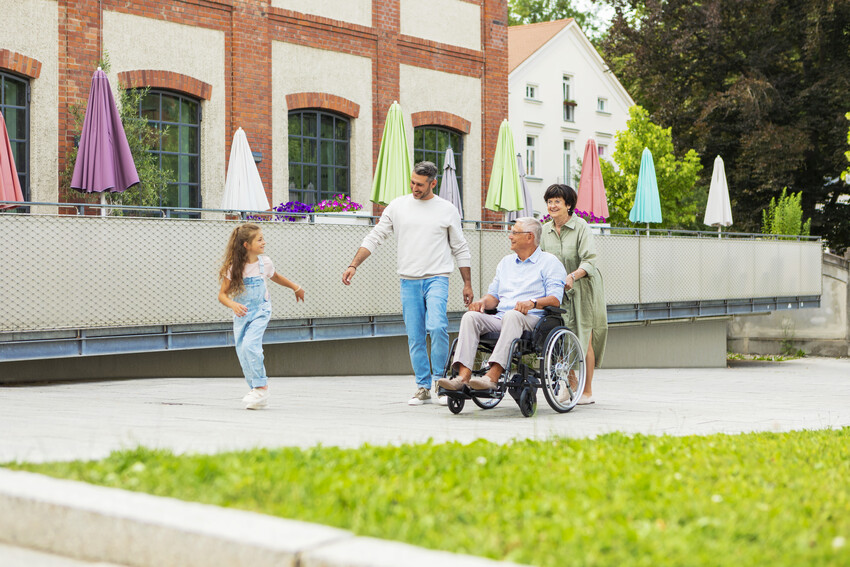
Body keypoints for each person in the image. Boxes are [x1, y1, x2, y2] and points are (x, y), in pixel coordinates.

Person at [343, 161, 473, 405]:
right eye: (413, 182)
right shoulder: (398, 206)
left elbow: (460, 247)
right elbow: (375, 236)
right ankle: (422, 387)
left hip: (437, 278)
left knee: (436, 327)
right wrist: (353, 265)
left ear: (433, 183)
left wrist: (467, 283)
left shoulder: (447, 209)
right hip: (408, 280)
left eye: (421, 185)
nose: (415, 188)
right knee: (415, 336)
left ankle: (440, 382)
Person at [437, 217, 566, 391]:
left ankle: (492, 376)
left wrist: (532, 303)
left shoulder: (550, 262)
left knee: (513, 316)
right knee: (470, 317)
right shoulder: (506, 263)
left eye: (514, 232)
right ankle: (463, 376)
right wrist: (482, 302)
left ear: (529, 237)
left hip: (533, 320)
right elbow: (494, 297)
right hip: (502, 317)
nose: (510, 236)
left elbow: (555, 299)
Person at [218, 223, 305, 410]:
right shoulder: (234, 268)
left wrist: (295, 287)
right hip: (242, 315)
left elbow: (276, 277)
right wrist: (233, 304)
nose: (264, 242)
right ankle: (258, 394)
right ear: (246, 245)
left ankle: (261, 386)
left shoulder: (265, 263)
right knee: (243, 352)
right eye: (259, 239)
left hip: (261, 311)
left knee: (251, 345)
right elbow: (222, 295)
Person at [539, 184, 608, 405]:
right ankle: (570, 384)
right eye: (549, 201)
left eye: (557, 201)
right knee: (558, 336)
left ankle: (587, 391)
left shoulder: (581, 227)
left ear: (568, 205)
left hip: (583, 287)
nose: (552, 205)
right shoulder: (545, 231)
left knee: (583, 337)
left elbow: (589, 260)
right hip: (557, 291)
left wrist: (573, 276)